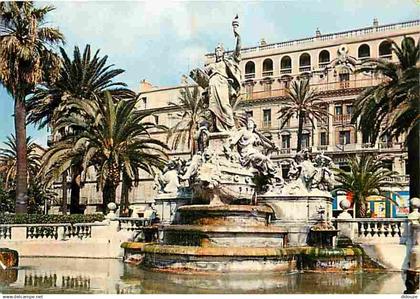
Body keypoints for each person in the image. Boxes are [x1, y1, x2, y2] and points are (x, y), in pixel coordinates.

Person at [203, 15, 241, 132]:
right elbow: (201, 76)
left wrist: (238, 34)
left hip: (222, 84)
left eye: (220, 49)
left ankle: (230, 127)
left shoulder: (227, 61)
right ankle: (216, 129)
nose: (218, 51)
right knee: (213, 109)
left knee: (225, 106)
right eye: (216, 50)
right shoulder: (211, 66)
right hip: (213, 86)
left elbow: (238, 49)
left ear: (223, 52)